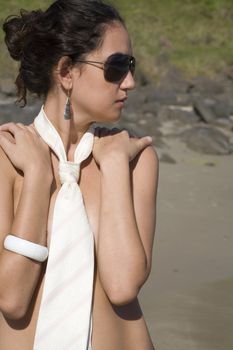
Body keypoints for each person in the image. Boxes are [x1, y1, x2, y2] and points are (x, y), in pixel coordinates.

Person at [0, 0, 159, 349]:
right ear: (67, 72)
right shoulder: (6, 158)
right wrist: (39, 178)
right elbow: (12, 297)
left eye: (131, 66)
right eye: (117, 67)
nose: (129, 82)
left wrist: (115, 168)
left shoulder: (136, 159)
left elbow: (122, 285)